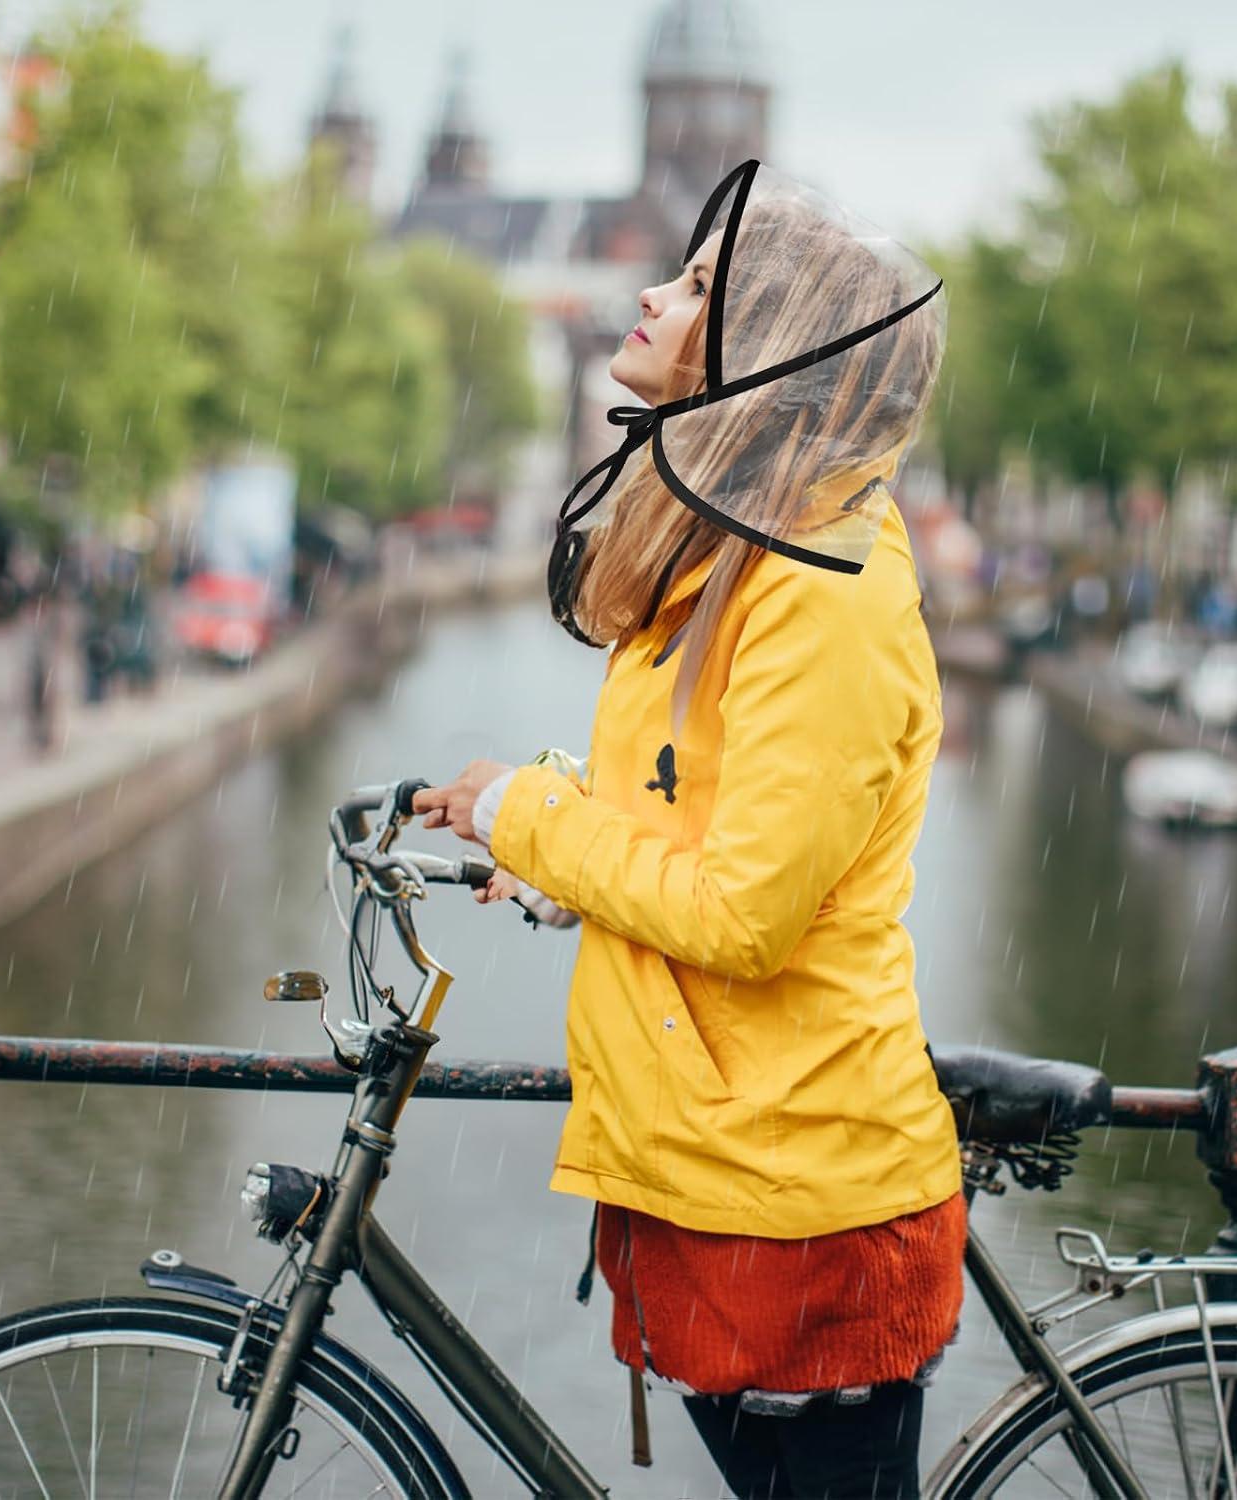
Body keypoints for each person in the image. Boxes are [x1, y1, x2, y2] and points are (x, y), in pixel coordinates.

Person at [416, 160, 964, 1500]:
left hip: (797, 1195)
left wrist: (524, 812)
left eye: (703, 286)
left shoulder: (817, 590)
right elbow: (695, 817)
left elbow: (745, 915)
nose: (656, 295)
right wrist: (543, 854)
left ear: (768, 347)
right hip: (725, 1172)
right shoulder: (738, 555)